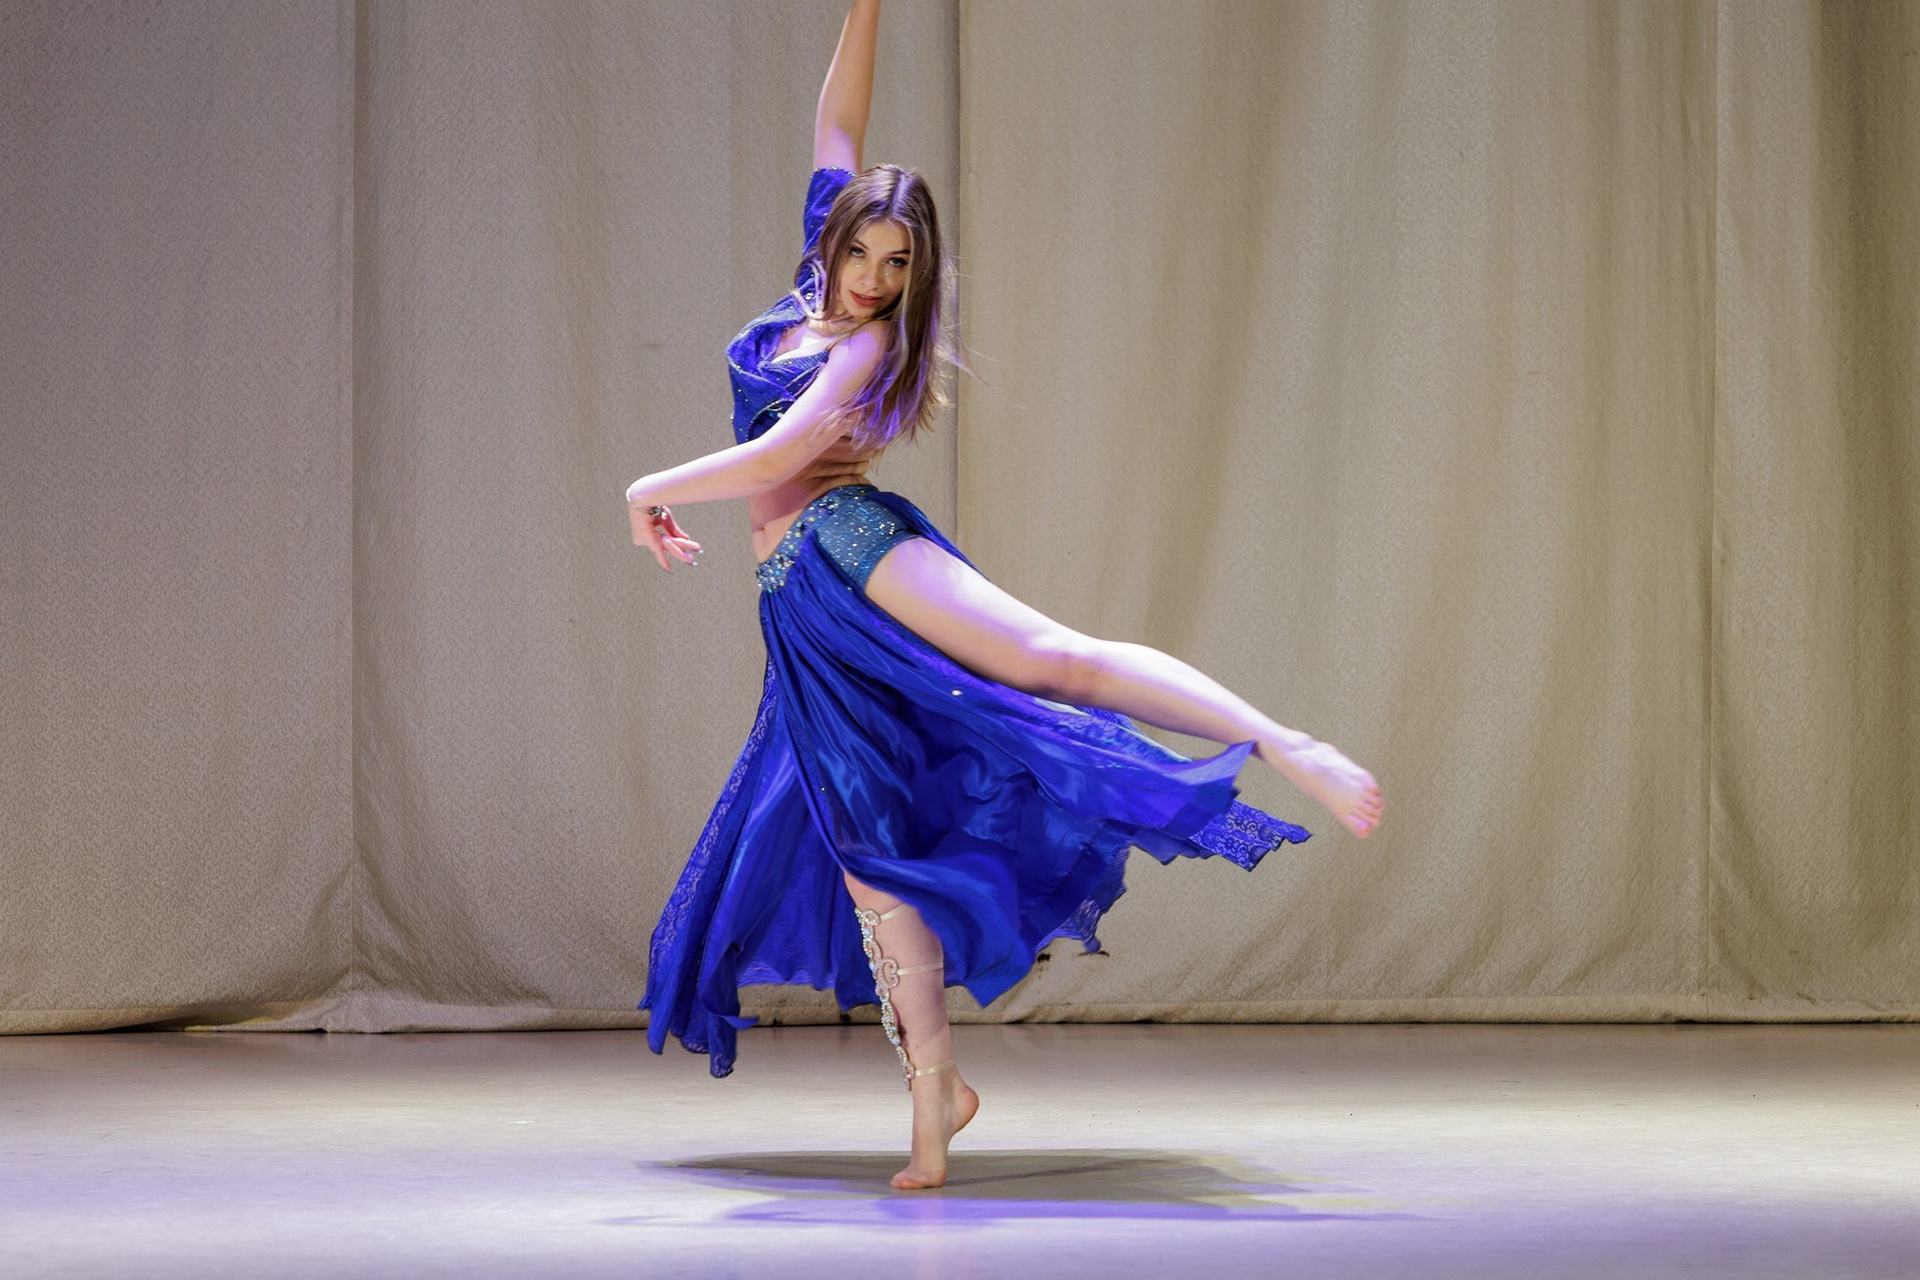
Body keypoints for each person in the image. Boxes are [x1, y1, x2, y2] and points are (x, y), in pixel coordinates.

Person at [625, 0, 1383, 1192]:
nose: (875, 281)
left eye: (899, 267)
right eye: (864, 255)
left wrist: (648, 486)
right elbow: (838, 118)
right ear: (834, 238)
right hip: (798, 611)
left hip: (847, 544)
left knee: (1048, 660)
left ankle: (1288, 744)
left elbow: (779, 457)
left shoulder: (865, 351)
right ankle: (937, 1091)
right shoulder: (814, 281)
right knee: (869, 853)